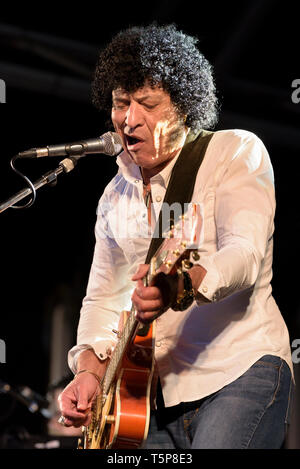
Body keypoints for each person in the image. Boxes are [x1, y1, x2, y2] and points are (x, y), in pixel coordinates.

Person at [58, 23, 293, 449]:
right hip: (146, 398)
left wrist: (182, 284)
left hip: (237, 371)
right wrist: (90, 369)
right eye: (120, 103)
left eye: (147, 103)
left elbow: (245, 255)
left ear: (183, 107)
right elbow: (101, 298)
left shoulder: (234, 152)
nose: (129, 120)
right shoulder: (114, 196)